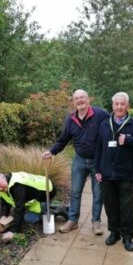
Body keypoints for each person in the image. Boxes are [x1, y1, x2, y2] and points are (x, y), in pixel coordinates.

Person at [43, 89, 110, 235]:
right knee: (75, 192)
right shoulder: (71, 119)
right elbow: (63, 139)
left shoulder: (101, 115)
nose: (80, 100)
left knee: (98, 194)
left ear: (88, 99)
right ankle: (72, 221)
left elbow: (114, 127)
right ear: (74, 102)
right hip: (79, 161)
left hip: (97, 162)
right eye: (77, 98)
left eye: (82, 97)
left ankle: (96, 222)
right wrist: (52, 151)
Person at [95, 92, 133, 252]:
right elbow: (99, 148)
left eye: (122, 104)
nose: (119, 107)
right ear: (112, 106)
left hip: (126, 174)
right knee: (110, 205)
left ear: (127, 106)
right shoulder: (104, 124)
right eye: (116, 104)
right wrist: (97, 169)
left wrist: (129, 140)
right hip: (107, 174)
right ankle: (114, 233)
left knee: (126, 207)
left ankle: (127, 237)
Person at [0, 171, 62, 242]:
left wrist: (13, 231)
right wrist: (3, 216)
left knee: (28, 218)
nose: (0, 189)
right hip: (33, 196)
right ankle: (48, 208)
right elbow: (5, 202)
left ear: (4, 177)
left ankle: (55, 210)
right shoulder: (5, 186)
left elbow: (20, 208)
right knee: (21, 216)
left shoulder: (17, 185)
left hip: (46, 192)